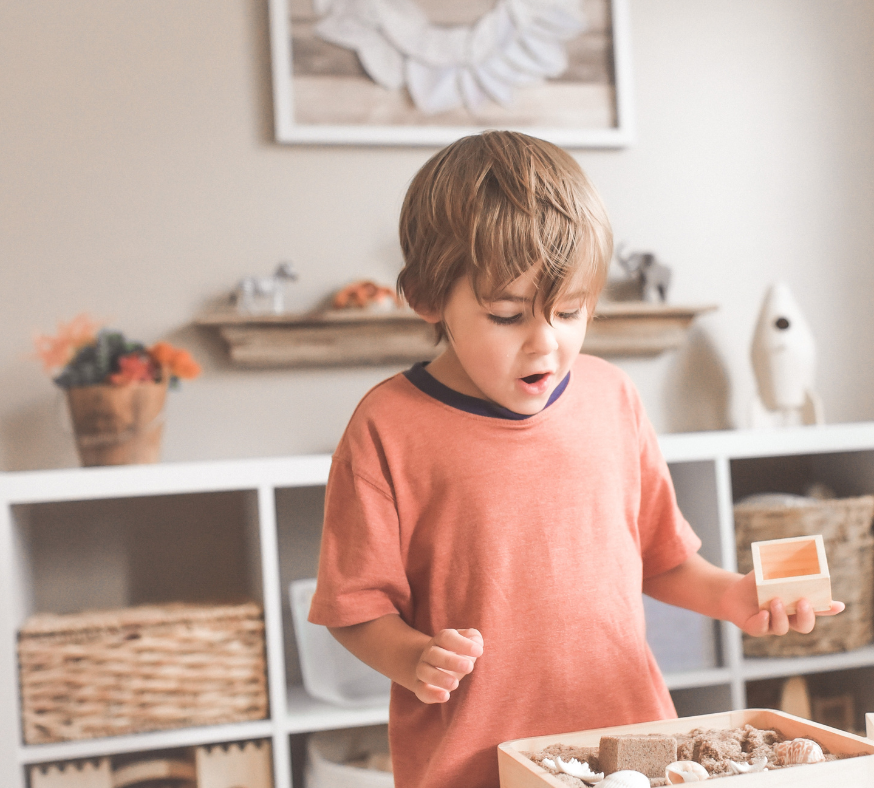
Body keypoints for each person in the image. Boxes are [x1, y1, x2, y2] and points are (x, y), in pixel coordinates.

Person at [307, 130, 843, 788]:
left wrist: (735, 596)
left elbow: (663, 557)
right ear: (427, 299)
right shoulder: (387, 427)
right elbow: (355, 609)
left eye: (570, 312)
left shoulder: (612, 396)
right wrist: (414, 658)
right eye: (507, 316)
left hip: (631, 748)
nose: (545, 344)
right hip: (475, 763)